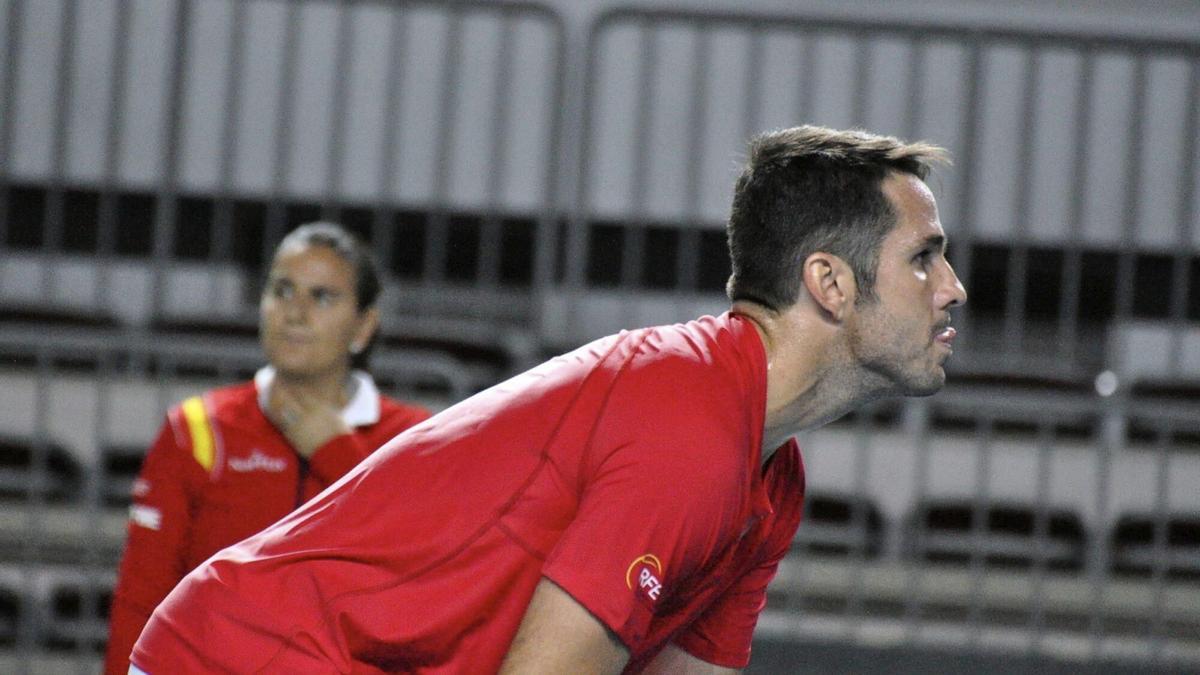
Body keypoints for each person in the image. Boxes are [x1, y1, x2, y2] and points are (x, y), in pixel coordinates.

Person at [128, 124, 966, 674]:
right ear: (828, 282)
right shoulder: (692, 429)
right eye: (924, 257)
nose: (953, 288)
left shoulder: (769, 480)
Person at [104, 222, 432, 675]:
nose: (294, 312)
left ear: (364, 326)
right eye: (282, 290)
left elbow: (422, 567)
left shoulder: (414, 436)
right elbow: (141, 597)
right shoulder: (198, 428)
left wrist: (336, 452)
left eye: (322, 297)